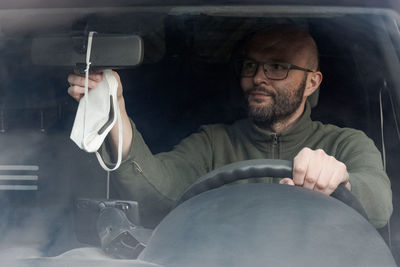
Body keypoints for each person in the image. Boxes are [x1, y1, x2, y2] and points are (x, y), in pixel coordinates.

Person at [67, 25, 392, 228]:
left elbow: (380, 205)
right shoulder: (213, 142)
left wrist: (340, 182)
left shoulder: (346, 143)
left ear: (311, 82)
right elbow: (157, 192)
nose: (258, 77)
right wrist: (116, 112)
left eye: (277, 66)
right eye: (251, 65)